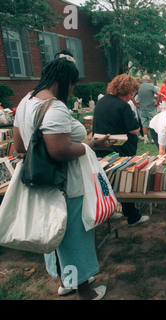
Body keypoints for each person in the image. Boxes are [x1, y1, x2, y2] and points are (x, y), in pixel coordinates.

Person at [13, 51, 111, 300]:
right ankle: (85, 291)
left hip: (43, 182)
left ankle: (65, 283)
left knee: (54, 232)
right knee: (75, 236)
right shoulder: (54, 107)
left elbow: (20, 146)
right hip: (66, 183)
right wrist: (90, 145)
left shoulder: (26, 101)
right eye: (72, 84)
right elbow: (59, 150)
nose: (72, 89)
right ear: (66, 80)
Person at [93, 74, 149, 227]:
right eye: (131, 94)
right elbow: (134, 129)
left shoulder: (101, 101)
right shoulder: (123, 105)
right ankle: (132, 216)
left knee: (106, 180)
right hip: (122, 149)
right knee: (126, 182)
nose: (131, 97)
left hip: (102, 148)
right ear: (125, 91)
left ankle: (109, 211)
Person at [137, 75, 159, 144]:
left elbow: (131, 96)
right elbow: (159, 93)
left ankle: (145, 139)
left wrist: (135, 104)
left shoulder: (139, 87)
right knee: (154, 123)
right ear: (149, 80)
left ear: (142, 80)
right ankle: (153, 138)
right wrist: (157, 102)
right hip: (151, 108)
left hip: (142, 108)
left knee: (144, 124)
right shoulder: (151, 86)